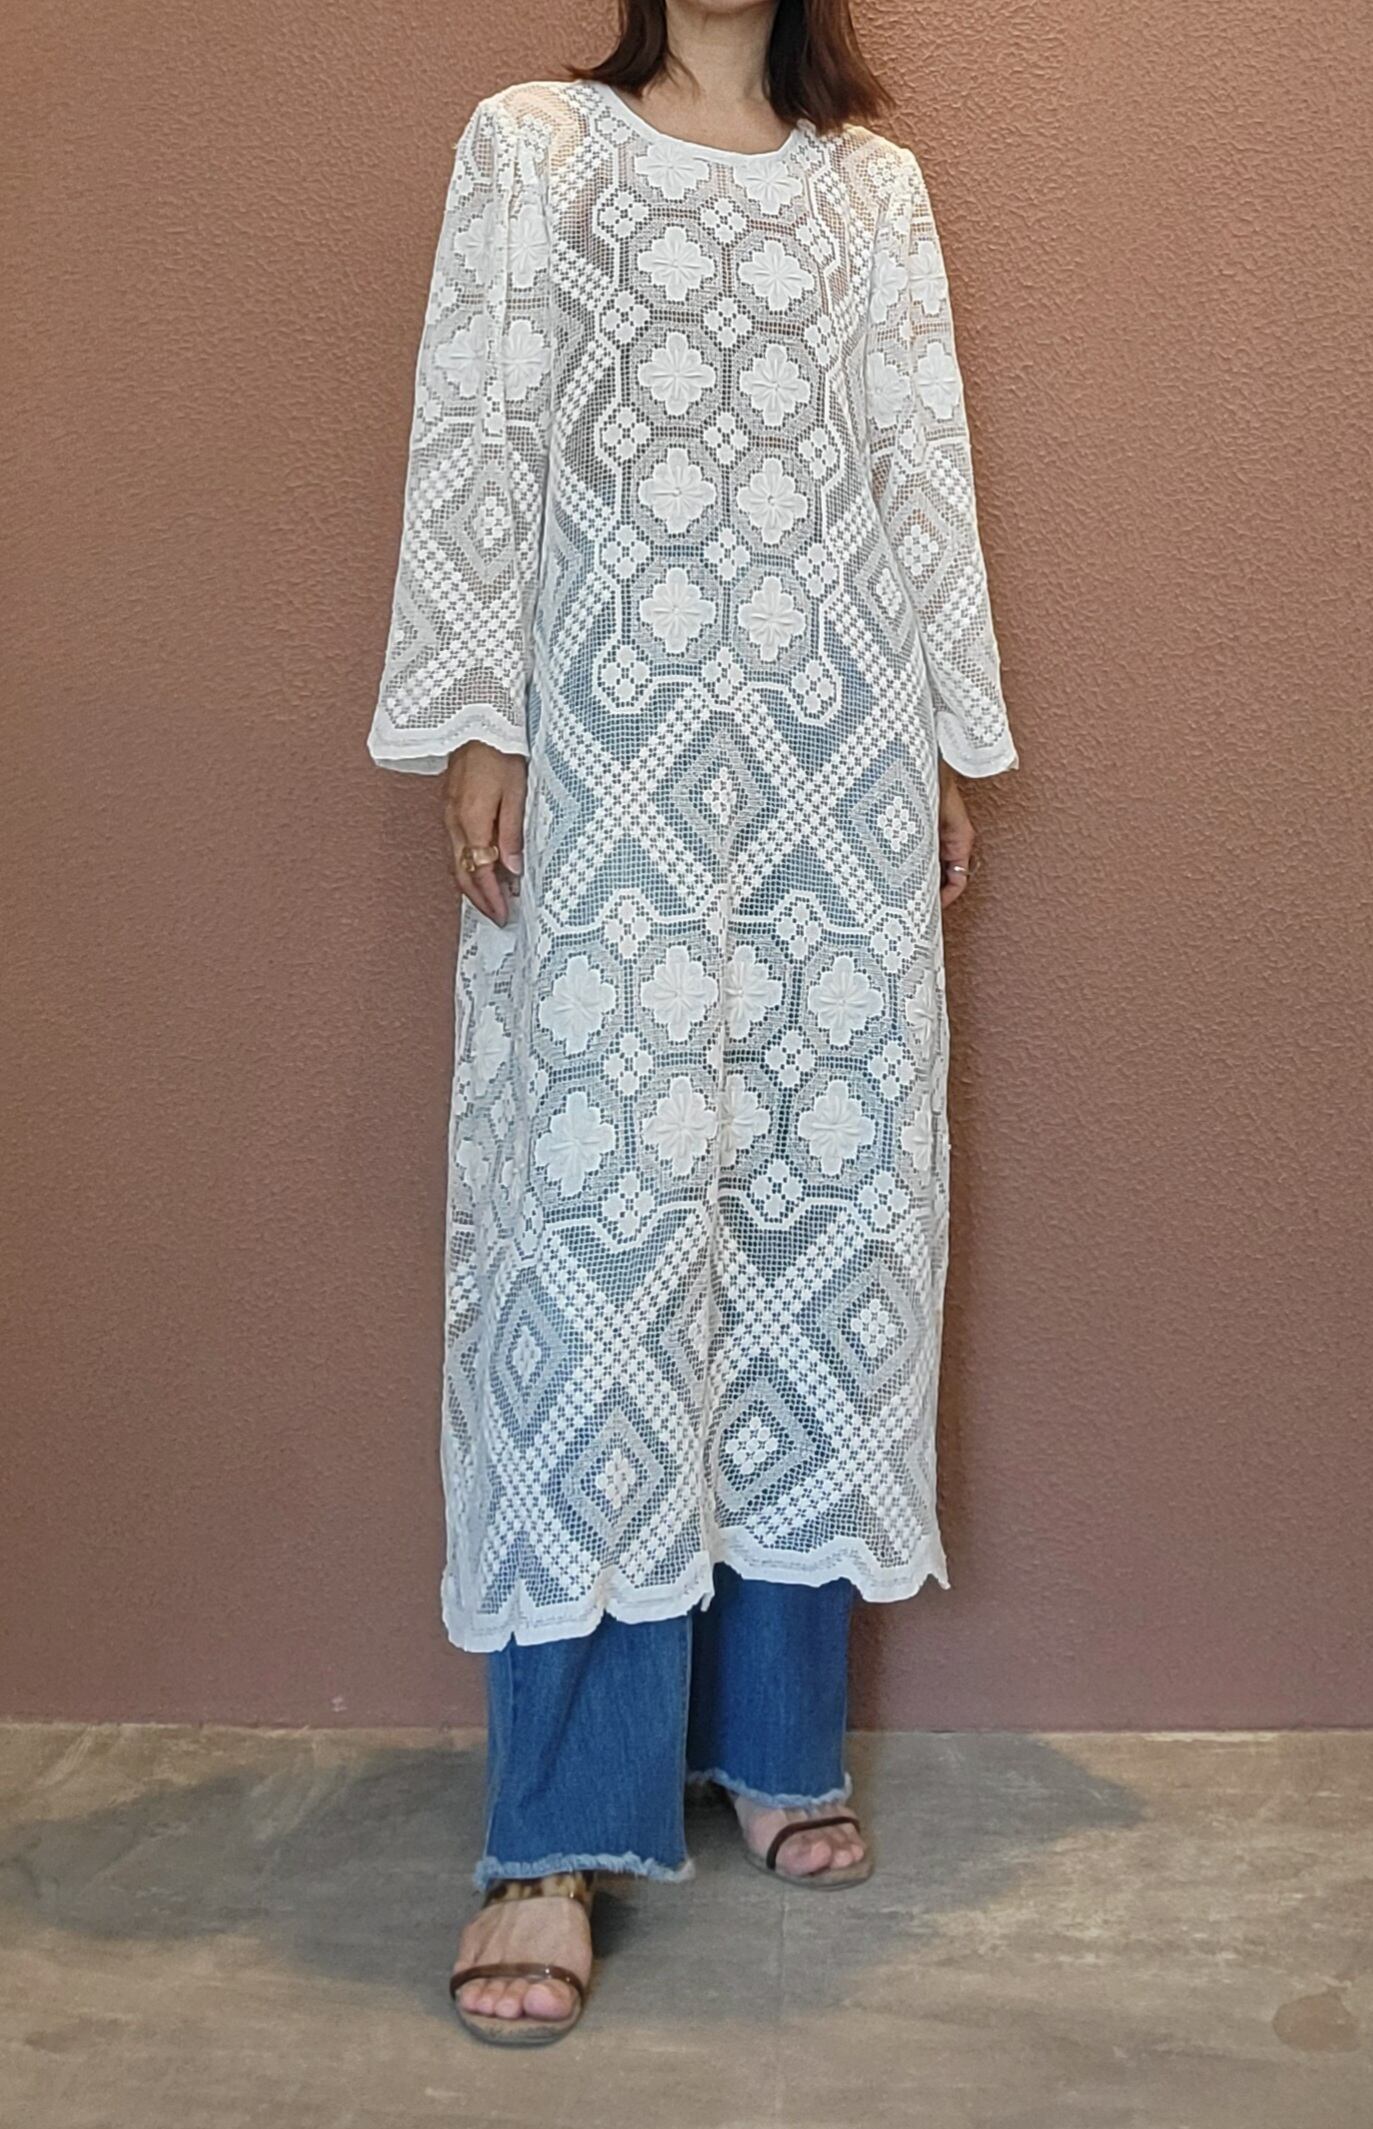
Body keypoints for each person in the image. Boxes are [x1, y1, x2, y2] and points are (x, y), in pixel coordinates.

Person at [367, 0, 1019, 2045]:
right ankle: (551, 1832)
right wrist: (478, 717)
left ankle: (773, 1738)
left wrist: (942, 736)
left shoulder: (874, 189)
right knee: (598, 1246)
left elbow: (914, 462)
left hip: (831, 768)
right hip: (612, 759)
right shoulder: (537, 148)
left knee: (817, 1210)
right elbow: (481, 430)